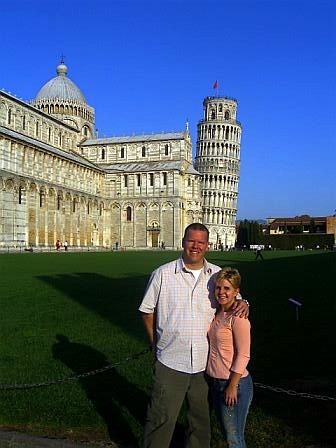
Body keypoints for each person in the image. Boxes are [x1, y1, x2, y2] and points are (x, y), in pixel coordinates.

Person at [139, 223, 249, 448]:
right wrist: (155, 342)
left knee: (200, 423)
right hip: (170, 360)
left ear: (207, 245)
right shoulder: (162, 274)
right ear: (183, 242)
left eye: (200, 242)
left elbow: (235, 299)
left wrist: (245, 302)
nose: (195, 246)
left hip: (203, 364)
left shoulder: (217, 275)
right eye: (191, 241)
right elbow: (146, 310)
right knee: (161, 419)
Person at [207, 267, 253, 448]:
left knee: (234, 438)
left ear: (236, 292)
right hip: (216, 381)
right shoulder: (220, 312)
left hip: (234, 383)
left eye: (227, 288)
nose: (221, 292)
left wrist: (232, 386)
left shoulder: (239, 317)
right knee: (228, 434)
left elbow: (244, 354)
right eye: (218, 288)